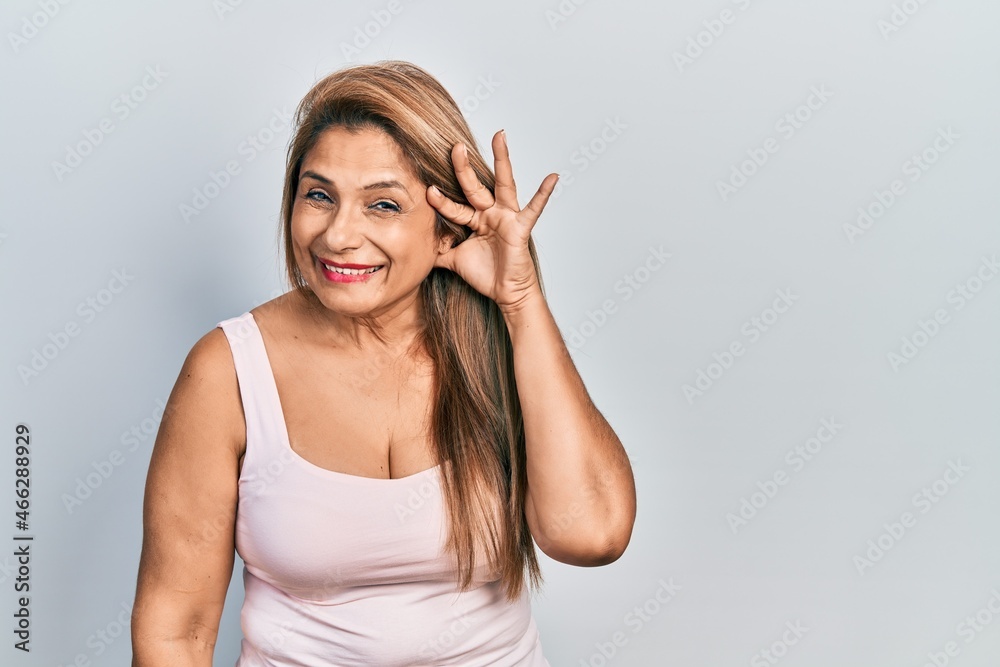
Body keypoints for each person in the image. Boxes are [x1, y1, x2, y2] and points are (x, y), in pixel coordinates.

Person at [130, 60, 636, 666]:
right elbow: (175, 631)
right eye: (319, 196)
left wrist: (521, 303)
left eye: (383, 206)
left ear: (447, 229)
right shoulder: (229, 371)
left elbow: (592, 535)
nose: (338, 235)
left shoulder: (503, 346)